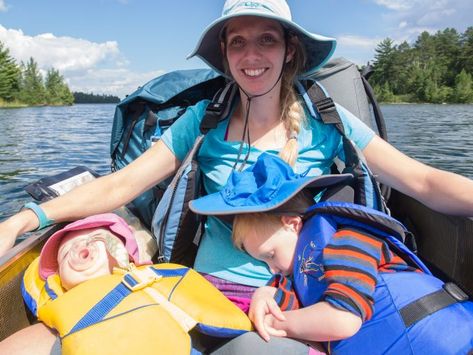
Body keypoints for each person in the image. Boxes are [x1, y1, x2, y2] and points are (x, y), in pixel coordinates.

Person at [1, 0, 473, 352]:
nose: (252, 55)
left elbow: (425, 182)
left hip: (293, 303)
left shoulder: (326, 121)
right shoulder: (203, 120)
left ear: (290, 50)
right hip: (196, 287)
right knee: (42, 340)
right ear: (225, 54)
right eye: (238, 42)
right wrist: (25, 219)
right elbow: (122, 185)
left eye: (267, 39)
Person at [189, 152, 473, 354]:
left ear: (292, 224)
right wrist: (265, 295)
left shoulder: (348, 241)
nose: (272, 268)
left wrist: (280, 323)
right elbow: (290, 297)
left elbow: (343, 319)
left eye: (270, 255)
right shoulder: (297, 273)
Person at [14, 213, 251, 355]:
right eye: (64, 254)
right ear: (62, 283)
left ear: (128, 257)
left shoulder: (163, 280)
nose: (78, 248)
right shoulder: (60, 317)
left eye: (96, 239)